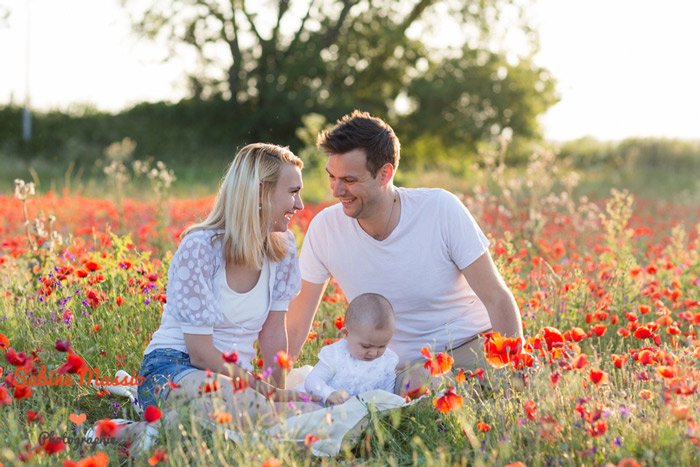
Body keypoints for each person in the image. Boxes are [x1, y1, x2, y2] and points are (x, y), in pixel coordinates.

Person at [95, 143, 321, 453]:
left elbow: (272, 335)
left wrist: (276, 393)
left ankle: (148, 430)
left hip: (234, 382)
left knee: (267, 411)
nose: (299, 205)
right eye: (293, 192)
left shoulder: (282, 248)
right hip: (173, 370)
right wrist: (265, 396)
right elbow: (201, 353)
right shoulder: (200, 248)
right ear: (260, 193)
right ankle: (132, 429)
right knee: (264, 410)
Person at [287, 111, 524, 395]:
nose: (337, 190)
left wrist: (515, 374)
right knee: (412, 390)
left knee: (440, 388)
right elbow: (298, 323)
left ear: (385, 174)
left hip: (470, 347)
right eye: (332, 177)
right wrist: (274, 382)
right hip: (401, 370)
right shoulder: (326, 228)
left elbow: (496, 297)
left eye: (349, 180)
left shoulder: (439, 208)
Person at [304, 293, 399, 405]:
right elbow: (312, 380)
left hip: (364, 414)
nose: (373, 353)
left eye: (382, 346)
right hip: (329, 410)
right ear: (346, 334)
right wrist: (328, 393)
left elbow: (388, 394)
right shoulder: (336, 355)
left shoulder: (387, 361)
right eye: (366, 346)